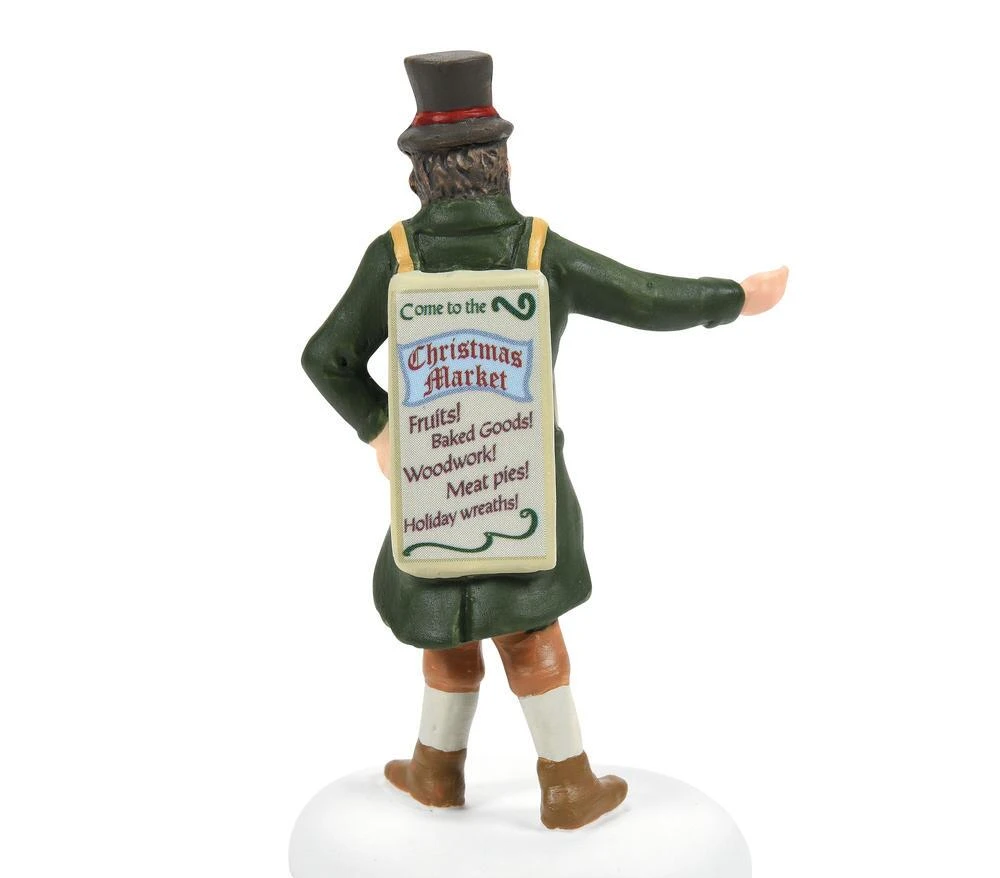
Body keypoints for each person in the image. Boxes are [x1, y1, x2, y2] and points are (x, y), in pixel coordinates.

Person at [302, 51, 787, 829]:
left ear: (421, 174)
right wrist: (730, 298)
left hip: (436, 486)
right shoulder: (537, 249)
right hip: (519, 482)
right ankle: (562, 783)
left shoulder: (394, 256)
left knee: (448, 618)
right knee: (528, 630)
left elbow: (325, 357)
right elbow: (642, 295)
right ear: (500, 164)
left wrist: (383, 429)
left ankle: (438, 770)